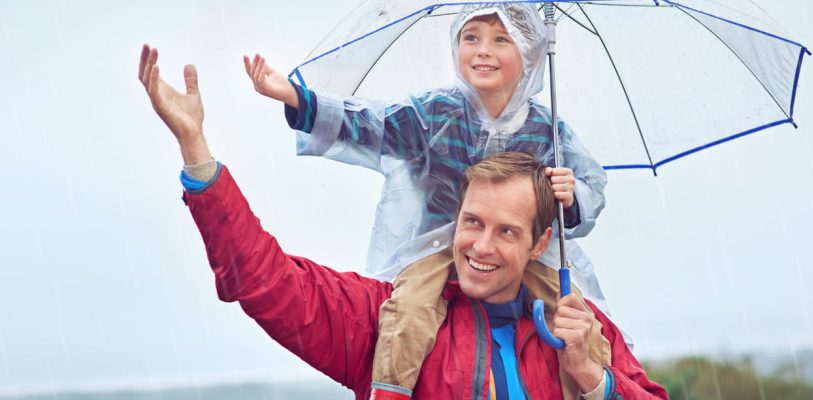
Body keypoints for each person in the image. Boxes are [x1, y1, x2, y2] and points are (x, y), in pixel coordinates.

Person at [137, 44, 668, 400]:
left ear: (541, 242)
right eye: (472, 222)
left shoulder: (579, 330)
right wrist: (197, 154)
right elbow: (264, 282)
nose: (480, 246)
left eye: (507, 231)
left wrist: (593, 379)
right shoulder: (387, 320)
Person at [243, 3, 615, 396]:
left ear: (532, 55)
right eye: (471, 38)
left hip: (526, 256)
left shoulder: (549, 129)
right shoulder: (436, 114)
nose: (483, 50)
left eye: (501, 39)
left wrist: (569, 197)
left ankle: (594, 389)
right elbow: (373, 123)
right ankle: (391, 390)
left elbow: (592, 187)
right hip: (439, 248)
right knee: (408, 312)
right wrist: (298, 99)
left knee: (581, 318)